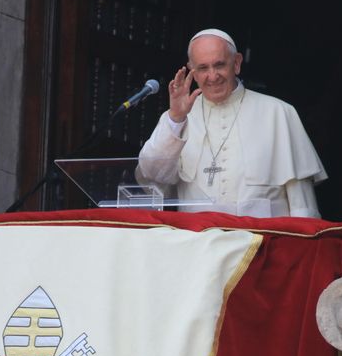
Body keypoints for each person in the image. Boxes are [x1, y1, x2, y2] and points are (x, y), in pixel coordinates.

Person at [137, 28, 327, 218]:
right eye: (203, 68)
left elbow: (303, 205)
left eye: (219, 65)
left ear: (236, 63)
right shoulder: (177, 118)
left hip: (263, 243)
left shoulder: (278, 113)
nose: (212, 76)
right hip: (197, 243)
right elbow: (151, 177)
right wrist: (176, 118)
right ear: (192, 71)